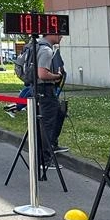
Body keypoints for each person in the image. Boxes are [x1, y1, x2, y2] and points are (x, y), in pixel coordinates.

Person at [36, 33, 67, 161]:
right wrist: (57, 76)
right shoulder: (46, 50)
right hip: (45, 89)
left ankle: (51, 145)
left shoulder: (37, 45)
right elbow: (42, 74)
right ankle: (45, 157)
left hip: (39, 89)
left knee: (58, 113)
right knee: (48, 123)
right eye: (60, 34)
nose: (62, 37)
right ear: (51, 34)